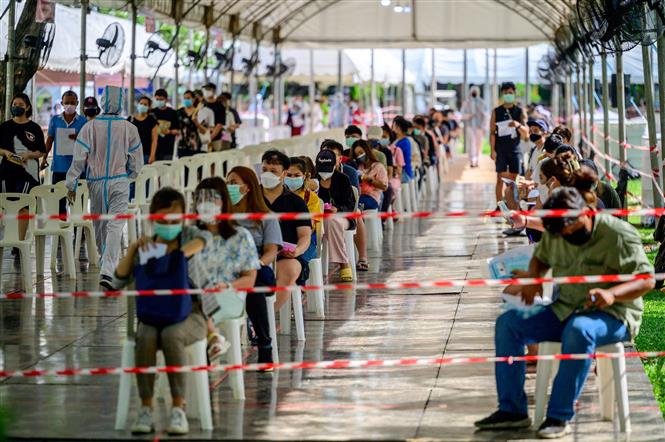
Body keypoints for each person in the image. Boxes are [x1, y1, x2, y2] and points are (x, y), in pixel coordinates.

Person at [475, 187, 654, 438]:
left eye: (571, 231)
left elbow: (646, 280)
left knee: (578, 330)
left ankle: (559, 416)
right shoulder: (557, 229)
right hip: (565, 307)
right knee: (508, 323)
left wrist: (612, 294)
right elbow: (541, 257)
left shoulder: (617, 234)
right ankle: (512, 411)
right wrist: (534, 278)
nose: (566, 237)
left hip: (614, 314)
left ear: (586, 213)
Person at [112, 187, 211, 435]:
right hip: (153, 314)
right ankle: (145, 408)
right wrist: (133, 249)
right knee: (145, 336)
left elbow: (204, 241)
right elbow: (117, 281)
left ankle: (178, 408)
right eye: (163, 219)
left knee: (171, 335)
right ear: (153, 218)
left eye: (175, 219)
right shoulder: (147, 246)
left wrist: (175, 256)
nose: (169, 224)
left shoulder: (191, 237)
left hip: (193, 315)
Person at [66, 86, 143, 289]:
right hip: (120, 181)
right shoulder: (129, 128)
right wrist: (130, 176)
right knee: (115, 225)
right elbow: (137, 160)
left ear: (103, 101)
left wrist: (71, 183)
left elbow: (78, 158)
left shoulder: (89, 127)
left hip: (96, 182)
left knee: (101, 225)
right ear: (121, 103)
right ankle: (107, 267)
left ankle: (107, 269)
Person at [187, 178, 260, 363]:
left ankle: (206, 349)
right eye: (201, 199)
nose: (206, 204)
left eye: (212, 199)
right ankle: (209, 344)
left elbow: (250, 279)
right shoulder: (189, 235)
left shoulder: (241, 236)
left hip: (228, 295)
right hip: (193, 295)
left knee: (188, 306)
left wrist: (226, 285)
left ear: (224, 202)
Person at [227, 166, 281, 364]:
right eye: (227, 183)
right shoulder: (224, 217)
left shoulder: (266, 217)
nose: (228, 187)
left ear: (247, 187)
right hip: (227, 267)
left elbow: (271, 252)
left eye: (233, 183)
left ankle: (264, 343)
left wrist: (255, 264)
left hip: (256, 266)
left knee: (255, 282)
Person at [260, 150, 312, 311]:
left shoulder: (296, 203)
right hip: (255, 254)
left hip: (286, 257)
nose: (267, 175)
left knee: (289, 270)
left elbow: (305, 235)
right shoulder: (252, 198)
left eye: (273, 171)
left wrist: (297, 251)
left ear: (283, 174)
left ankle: (265, 316)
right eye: (264, 170)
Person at [0, 93, 46, 249]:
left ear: (27, 107)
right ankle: (8, 237)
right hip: (7, 171)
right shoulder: (5, 127)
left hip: (28, 173)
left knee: (23, 204)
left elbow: (41, 151)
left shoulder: (34, 128)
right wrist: (5, 153)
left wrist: (29, 155)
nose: (16, 107)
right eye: (14, 104)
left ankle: (18, 243)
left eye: (20, 105)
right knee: (7, 204)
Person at [315, 149, 356, 281]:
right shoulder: (313, 180)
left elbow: (350, 205)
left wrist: (337, 209)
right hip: (319, 218)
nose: (324, 172)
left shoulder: (343, 179)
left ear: (335, 165)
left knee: (332, 221)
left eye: (328, 168)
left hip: (343, 217)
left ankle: (343, 263)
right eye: (322, 168)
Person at [490, 82, 528, 202]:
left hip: (515, 149)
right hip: (500, 149)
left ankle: (514, 203)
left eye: (510, 93)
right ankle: (499, 204)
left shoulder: (520, 111)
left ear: (514, 94)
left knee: (516, 177)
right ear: (502, 94)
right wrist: (492, 150)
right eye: (506, 93)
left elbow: (526, 133)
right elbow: (492, 132)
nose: (508, 95)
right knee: (500, 177)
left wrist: (517, 125)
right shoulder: (496, 111)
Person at [42, 91, 88, 191]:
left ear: (77, 103)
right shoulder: (55, 120)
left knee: (78, 203)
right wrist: (44, 158)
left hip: (77, 168)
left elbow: (89, 143)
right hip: (59, 167)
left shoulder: (83, 121)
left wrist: (79, 138)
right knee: (59, 202)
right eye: (66, 102)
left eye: (72, 102)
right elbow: (49, 141)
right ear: (62, 103)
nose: (69, 105)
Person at [352, 139, 389, 211]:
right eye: (357, 155)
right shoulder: (358, 167)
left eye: (361, 152)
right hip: (359, 196)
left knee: (358, 205)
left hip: (372, 197)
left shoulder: (378, 166)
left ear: (367, 151)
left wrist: (367, 179)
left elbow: (384, 187)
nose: (359, 156)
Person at [461, 85, 488, 167]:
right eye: (473, 91)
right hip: (470, 127)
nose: (474, 93)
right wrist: (469, 116)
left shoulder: (482, 103)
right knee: (471, 144)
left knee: (478, 144)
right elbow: (462, 114)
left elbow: (486, 116)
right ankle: (472, 161)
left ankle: (477, 160)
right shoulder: (466, 103)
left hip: (479, 127)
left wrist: (484, 127)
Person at [151, 89, 180, 161]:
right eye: (157, 99)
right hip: (154, 148)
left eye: (161, 99)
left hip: (168, 148)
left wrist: (169, 132)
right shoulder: (152, 113)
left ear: (166, 100)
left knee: (166, 169)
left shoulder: (173, 113)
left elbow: (178, 131)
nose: (159, 101)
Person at [128, 96, 158, 165]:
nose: (142, 106)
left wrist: (152, 155)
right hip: (132, 155)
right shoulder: (130, 119)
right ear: (138, 104)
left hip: (146, 155)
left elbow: (154, 139)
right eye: (141, 103)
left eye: (145, 104)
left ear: (149, 107)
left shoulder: (152, 120)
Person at [176, 90, 205, 158]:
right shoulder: (178, 112)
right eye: (185, 98)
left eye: (188, 98)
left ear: (194, 99)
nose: (186, 100)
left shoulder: (199, 112)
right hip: (181, 145)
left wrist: (196, 122)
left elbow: (204, 130)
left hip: (195, 145)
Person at [202, 83, 225, 151]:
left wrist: (210, 138)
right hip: (203, 139)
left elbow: (219, 124)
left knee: (215, 158)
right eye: (205, 89)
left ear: (214, 91)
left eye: (208, 89)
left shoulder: (220, 106)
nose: (206, 91)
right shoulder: (202, 105)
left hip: (216, 139)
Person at [392, 116, 414, 183]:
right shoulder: (400, 141)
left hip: (404, 173)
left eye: (393, 126)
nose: (392, 128)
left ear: (398, 128)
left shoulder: (403, 143)